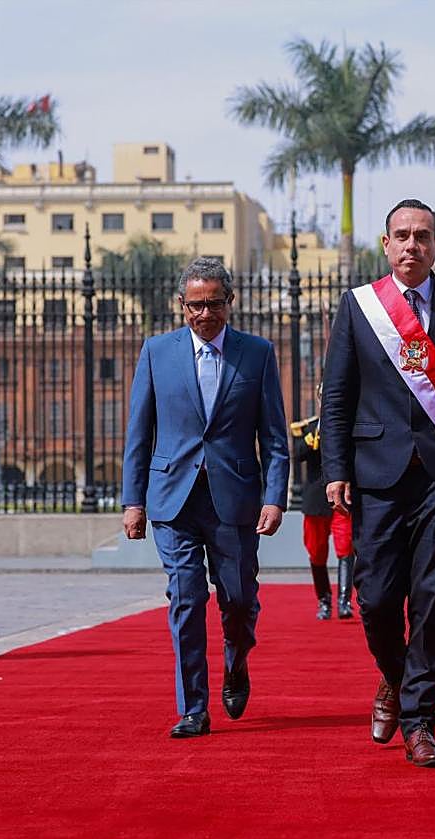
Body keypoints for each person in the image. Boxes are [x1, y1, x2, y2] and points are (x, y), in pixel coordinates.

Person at [322, 199, 435, 768]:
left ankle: (420, 722)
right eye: (401, 235)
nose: (411, 244)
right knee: (375, 599)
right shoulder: (359, 307)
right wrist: (335, 469)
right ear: (386, 244)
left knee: (431, 601)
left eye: (422, 236)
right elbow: (337, 397)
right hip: (376, 475)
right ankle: (394, 678)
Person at [122, 257, 289, 739]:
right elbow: (139, 433)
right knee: (186, 598)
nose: (204, 314)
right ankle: (193, 707)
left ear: (230, 303)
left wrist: (274, 498)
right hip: (172, 499)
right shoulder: (157, 352)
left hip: (233, 500)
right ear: (181, 305)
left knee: (238, 600)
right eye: (195, 305)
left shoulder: (256, 354)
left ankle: (236, 662)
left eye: (214, 304)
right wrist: (133, 501)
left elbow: (274, 436)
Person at [291, 385, 355, 620]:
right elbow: (298, 453)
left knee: (345, 546)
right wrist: (316, 433)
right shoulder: (308, 428)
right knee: (316, 551)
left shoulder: (348, 425)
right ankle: (324, 600)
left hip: (342, 499)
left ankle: (344, 601)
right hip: (316, 500)